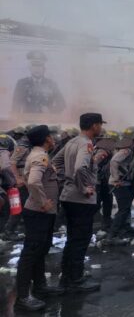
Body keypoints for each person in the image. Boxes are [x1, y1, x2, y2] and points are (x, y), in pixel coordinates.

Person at [52, 113, 104, 292]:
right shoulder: (86, 143)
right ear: (94, 126)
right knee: (80, 239)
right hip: (81, 199)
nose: (101, 128)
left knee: (73, 239)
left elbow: (55, 162)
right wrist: (84, 188)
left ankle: (68, 274)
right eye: (100, 125)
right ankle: (75, 279)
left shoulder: (72, 142)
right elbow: (80, 168)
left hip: (68, 196)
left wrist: (62, 181)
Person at [14, 125, 64, 311]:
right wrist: (42, 202)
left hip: (42, 212)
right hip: (38, 212)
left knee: (41, 250)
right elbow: (34, 182)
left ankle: (40, 286)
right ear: (46, 139)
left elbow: (33, 180)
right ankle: (23, 296)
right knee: (31, 253)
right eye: (51, 136)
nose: (53, 139)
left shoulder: (40, 155)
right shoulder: (40, 157)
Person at [106, 127, 134, 246]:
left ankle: (125, 227)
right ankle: (112, 235)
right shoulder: (126, 150)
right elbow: (114, 162)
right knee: (124, 209)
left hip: (127, 182)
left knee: (126, 208)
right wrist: (116, 179)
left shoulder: (132, 149)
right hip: (119, 183)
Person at [93, 130, 119, 231]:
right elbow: (94, 163)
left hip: (105, 180)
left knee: (108, 201)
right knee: (97, 202)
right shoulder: (103, 150)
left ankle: (106, 222)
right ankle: (94, 223)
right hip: (99, 181)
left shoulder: (106, 148)